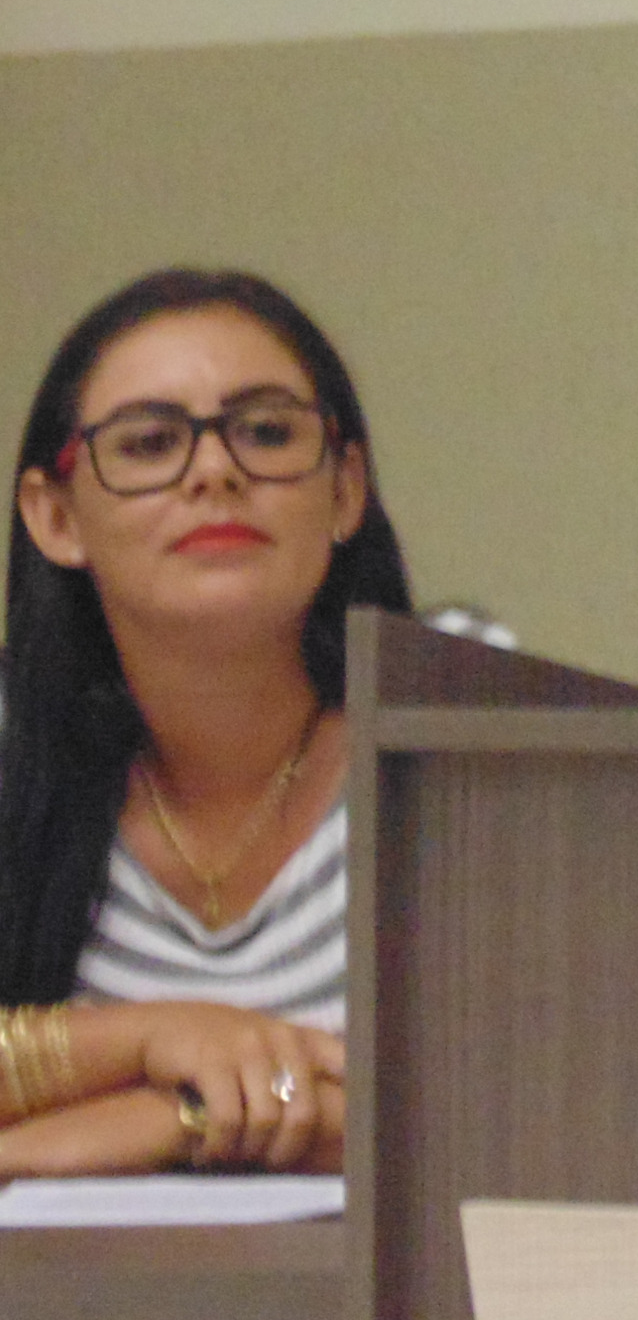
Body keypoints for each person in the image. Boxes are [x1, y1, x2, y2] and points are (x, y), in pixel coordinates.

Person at [0, 268, 408, 1176]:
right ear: (55, 518)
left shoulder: (452, 736)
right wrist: (152, 1038)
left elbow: (529, 1100)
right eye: (149, 444)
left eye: (266, 433)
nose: (215, 471)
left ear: (346, 490)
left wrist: (171, 1121)